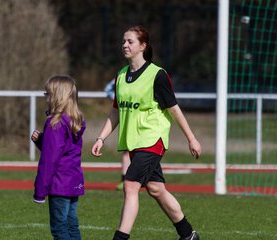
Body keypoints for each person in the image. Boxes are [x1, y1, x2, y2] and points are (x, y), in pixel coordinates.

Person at [91, 25, 201, 240]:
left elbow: (174, 109)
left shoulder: (157, 75)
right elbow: (116, 111)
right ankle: (188, 235)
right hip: (133, 141)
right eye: (123, 41)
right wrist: (101, 138)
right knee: (156, 189)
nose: (124, 45)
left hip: (152, 139)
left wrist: (192, 138)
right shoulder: (121, 75)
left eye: (130, 41)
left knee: (130, 185)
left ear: (143, 46)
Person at [31, 75, 86, 240]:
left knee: (59, 229)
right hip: (73, 181)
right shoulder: (74, 121)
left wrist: (40, 192)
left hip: (59, 183)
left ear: (56, 96)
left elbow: (49, 161)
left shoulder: (55, 123)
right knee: (71, 226)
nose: (45, 97)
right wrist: (42, 140)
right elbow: (63, 151)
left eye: (47, 94)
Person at [104, 78, 131, 191]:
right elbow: (107, 89)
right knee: (126, 150)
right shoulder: (122, 74)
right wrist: (119, 101)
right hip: (128, 118)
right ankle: (125, 180)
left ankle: (135, 180)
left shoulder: (152, 73)